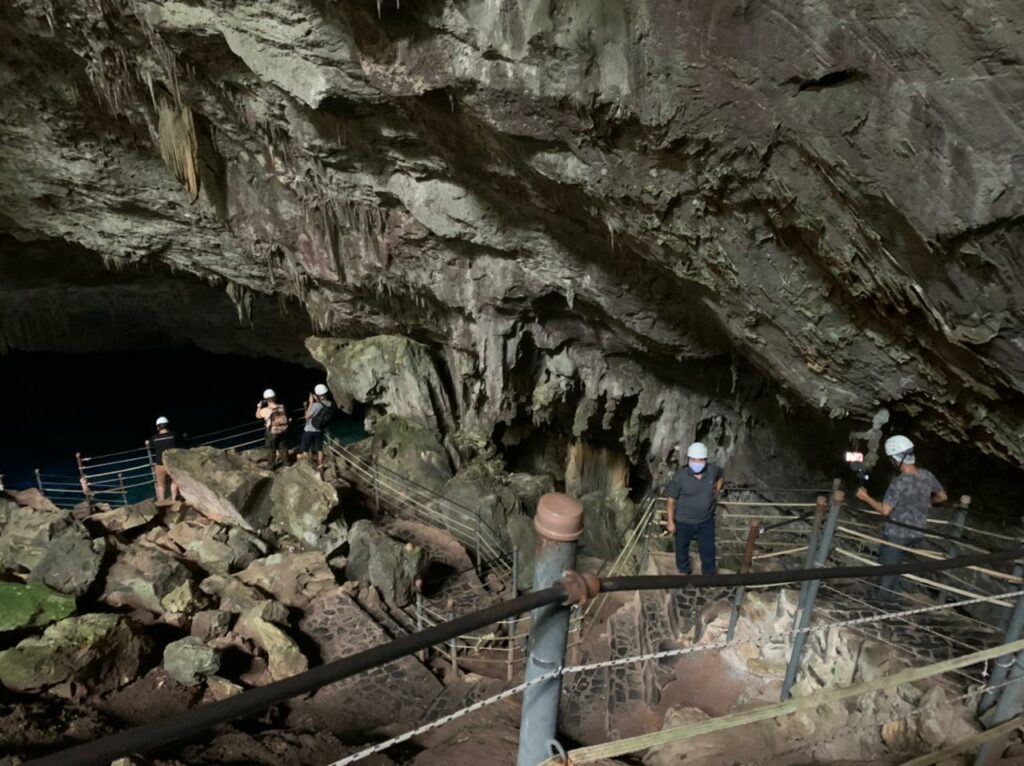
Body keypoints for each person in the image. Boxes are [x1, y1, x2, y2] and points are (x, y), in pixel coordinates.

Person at [856, 435, 947, 602]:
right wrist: (928, 501)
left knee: (888, 566)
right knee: (898, 565)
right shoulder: (927, 476)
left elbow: (885, 510)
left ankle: (881, 600)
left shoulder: (900, 482)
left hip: (897, 532)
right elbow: (942, 496)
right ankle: (893, 594)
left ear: (897, 459)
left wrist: (866, 497)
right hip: (917, 532)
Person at [665, 441, 725, 575]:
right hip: (683, 521)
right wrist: (670, 522)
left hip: (705, 520)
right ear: (688, 459)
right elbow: (671, 501)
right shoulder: (680, 477)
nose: (697, 463)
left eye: (700, 460)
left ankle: (709, 575)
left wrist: (717, 488)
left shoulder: (712, 470)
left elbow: (721, 474)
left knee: (708, 549)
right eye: (693, 460)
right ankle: (684, 572)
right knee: (681, 549)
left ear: (706, 460)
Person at [300, 383, 333, 471]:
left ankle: (307, 468)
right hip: (320, 430)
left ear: (317, 395)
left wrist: (311, 402)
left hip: (309, 430)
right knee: (319, 449)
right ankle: (320, 465)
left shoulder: (316, 405)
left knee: (305, 449)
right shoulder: (330, 404)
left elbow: (307, 416)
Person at [150, 416, 182, 503]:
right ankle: (174, 500)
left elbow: (153, 446)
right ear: (168, 425)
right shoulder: (173, 435)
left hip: (159, 463)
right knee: (174, 481)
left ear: (158, 427)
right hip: (171, 463)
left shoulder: (154, 438)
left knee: (160, 484)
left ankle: (162, 501)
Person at [256, 388, 290, 468]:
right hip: (282, 430)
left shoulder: (266, 410)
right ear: (275, 397)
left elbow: (258, 416)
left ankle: (271, 466)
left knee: (271, 449)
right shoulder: (282, 406)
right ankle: (287, 463)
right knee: (283, 447)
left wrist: (258, 407)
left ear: (266, 399)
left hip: (272, 432)